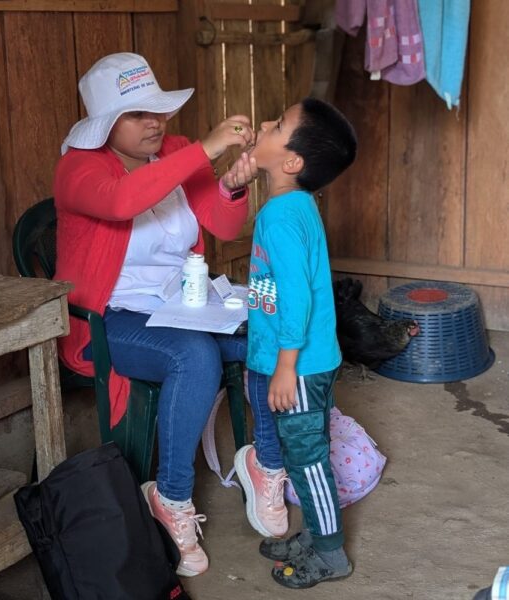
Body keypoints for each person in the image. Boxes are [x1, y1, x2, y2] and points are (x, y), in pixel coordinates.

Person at [53, 52, 257, 577]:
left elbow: (223, 225)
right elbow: (122, 202)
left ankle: (265, 463)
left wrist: (231, 187)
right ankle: (171, 496)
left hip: (181, 305)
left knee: (265, 332)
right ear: (105, 124)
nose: (155, 122)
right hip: (110, 317)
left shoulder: (175, 152)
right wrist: (206, 150)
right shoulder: (79, 167)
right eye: (138, 114)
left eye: (158, 110)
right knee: (194, 356)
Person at [233, 97, 357, 589]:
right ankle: (318, 533)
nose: (265, 123)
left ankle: (331, 554)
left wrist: (285, 365)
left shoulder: (281, 217)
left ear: (291, 163)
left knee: (308, 460)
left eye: (279, 125)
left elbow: (297, 297)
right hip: (304, 360)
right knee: (304, 455)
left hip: (300, 367)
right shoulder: (295, 205)